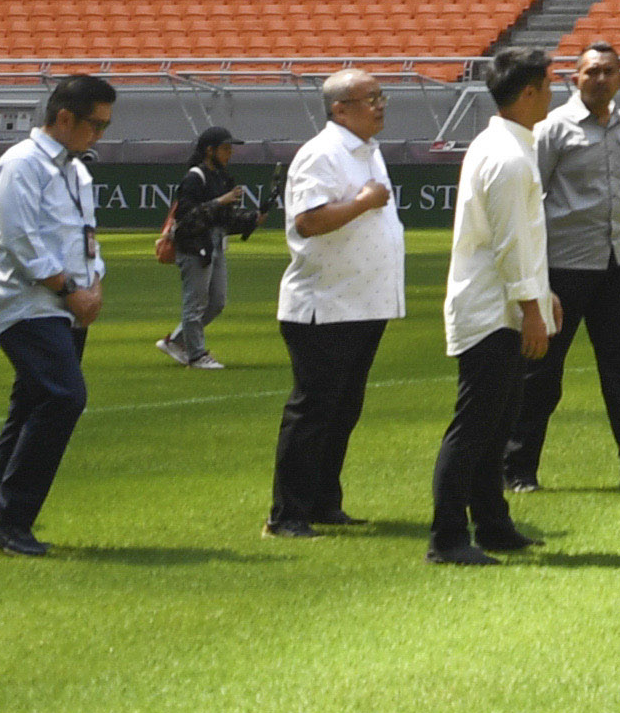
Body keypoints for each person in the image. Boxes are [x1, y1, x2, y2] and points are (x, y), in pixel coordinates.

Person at [0, 73, 116, 558]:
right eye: (95, 125)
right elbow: (19, 239)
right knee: (63, 397)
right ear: (64, 118)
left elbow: (86, 235)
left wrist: (93, 282)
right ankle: (9, 516)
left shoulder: (76, 171)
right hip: (29, 305)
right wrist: (71, 288)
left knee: (31, 407)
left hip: (66, 308)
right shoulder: (21, 164)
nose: (99, 135)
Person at [428, 46, 561, 569]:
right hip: (493, 312)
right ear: (528, 92)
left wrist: (540, 295)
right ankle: (447, 536)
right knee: (476, 426)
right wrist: (531, 307)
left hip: (498, 304)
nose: (554, 91)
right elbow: (509, 243)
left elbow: (520, 242)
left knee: (495, 422)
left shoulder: (506, 148)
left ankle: (492, 523)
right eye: (548, 83)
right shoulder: (507, 158)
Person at [508, 40, 620, 496]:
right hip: (565, 266)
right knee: (542, 373)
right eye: (592, 72)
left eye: (609, 71)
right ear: (576, 77)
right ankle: (518, 467)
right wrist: (535, 275)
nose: (601, 79)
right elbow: (531, 199)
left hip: (617, 262)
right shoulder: (553, 129)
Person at [268, 71, 405, 537]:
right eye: (370, 99)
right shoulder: (321, 153)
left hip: (361, 303)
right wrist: (365, 202)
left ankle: (324, 500)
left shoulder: (367, 151)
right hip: (324, 306)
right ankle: (287, 513)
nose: (381, 105)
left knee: (343, 409)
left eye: (381, 96)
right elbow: (307, 221)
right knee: (313, 410)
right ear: (339, 109)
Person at [152, 123, 261, 371]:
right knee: (196, 303)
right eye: (225, 148)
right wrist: (221, 201)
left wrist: (252, 219)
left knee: (217, 302)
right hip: (195, 247)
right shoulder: (194, 178)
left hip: (215, 245)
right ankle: (197, 354)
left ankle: (178, 341)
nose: (229, 153)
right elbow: (188, 218)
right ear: (209, 150)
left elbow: (225, 220)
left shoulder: (222, 177)